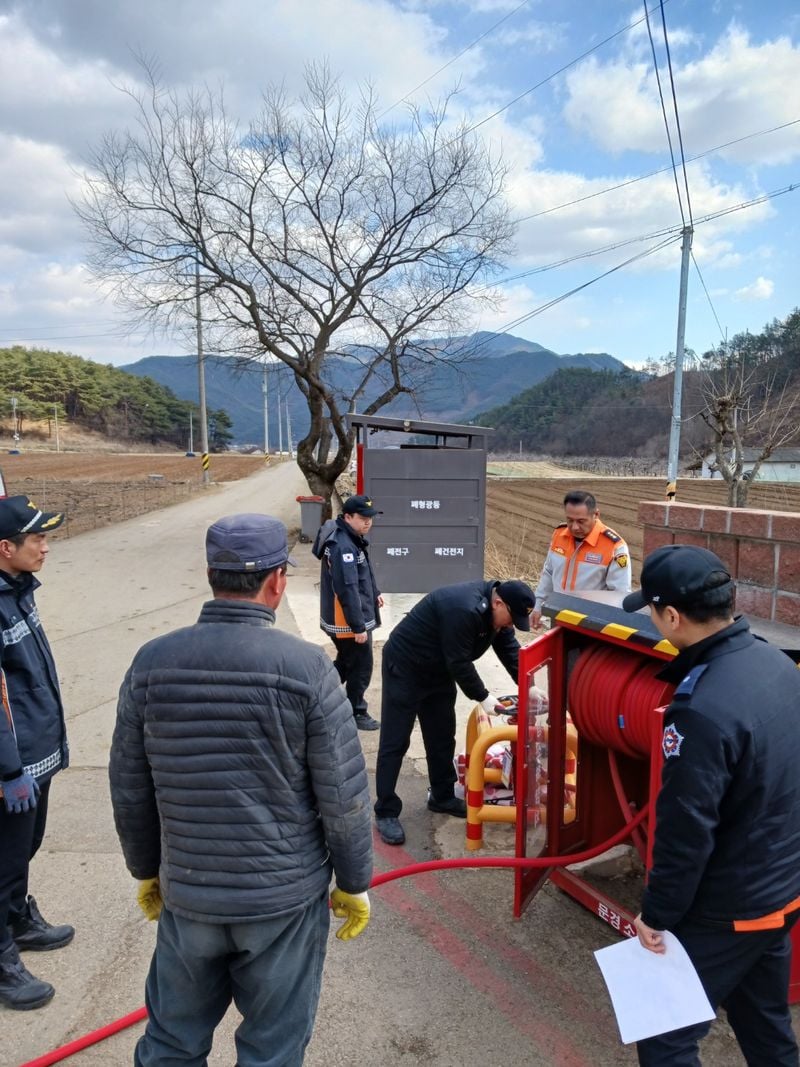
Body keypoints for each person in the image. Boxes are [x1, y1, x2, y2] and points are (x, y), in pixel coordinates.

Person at [109, 513, 373, 1067]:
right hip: (281, 901)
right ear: (277, 581)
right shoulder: (306, 668)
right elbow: (343, 795)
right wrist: (353, 882)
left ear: (211, 575)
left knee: (171, 1044)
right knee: (272, 1050)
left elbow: (130, 785)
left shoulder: (151, 662)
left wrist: (146, 869)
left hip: (190, 894)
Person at [622, 544, 800, 1066]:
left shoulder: (699, 708)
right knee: (764, 1025)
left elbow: (686, 829)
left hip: (730, 907)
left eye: (652, 611)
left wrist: (657, 914)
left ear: (673, 617)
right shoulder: (776, 663)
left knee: (665, 1036)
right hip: (781, 890)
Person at [374, 578, 536, 845]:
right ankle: (386, 811)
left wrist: (529, 685)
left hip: (439, 670)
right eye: (511, 618)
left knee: (441, 735)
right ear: (498, 603)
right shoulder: (463, 609)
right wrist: (484, 696)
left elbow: (509, 650)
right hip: (406, 667)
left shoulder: (498, 614)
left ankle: (442, 796)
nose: (510, 626)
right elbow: (459, 662)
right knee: (396, 740)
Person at [0, 495, 74, 1012]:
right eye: (37, 539)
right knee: (3, 859)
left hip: (35, 753)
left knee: (22, 849)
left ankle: (17, 919)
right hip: (12, 764)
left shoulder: (17, 590)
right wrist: (8, 770)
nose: (45, 547)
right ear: (6, 548)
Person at [315, 494, 384, 731]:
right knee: (361, 666)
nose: (368, 522)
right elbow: (347, 588)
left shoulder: (350, 537)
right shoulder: (343, 546)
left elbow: (362, 573)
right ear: (347, 517)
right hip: (347, 621)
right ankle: (356, 711)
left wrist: (374, 592)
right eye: (363, 518)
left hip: (347, 617)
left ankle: (317, 695)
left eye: (370, 518)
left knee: (346, 662)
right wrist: (358, 626)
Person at [532, 489, 631, 626]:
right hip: (558, 614)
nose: (575, 527)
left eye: (581, 521)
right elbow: (549, 572)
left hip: (591, 622)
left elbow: (619, 594)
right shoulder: (559, 535)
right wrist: (538, 605)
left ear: (596, 515)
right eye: (570, 520)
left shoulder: (614, 546)